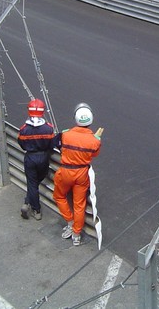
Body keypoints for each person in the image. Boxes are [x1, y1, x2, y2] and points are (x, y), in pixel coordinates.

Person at [53, 103, 102, 246]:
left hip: (66, 171)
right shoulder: (95, 140)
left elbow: (55, 144)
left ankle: (70, 222)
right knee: (79, 205)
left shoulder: (65, 133)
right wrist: (96, 139)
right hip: (82, 173)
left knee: (59, 196)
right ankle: (76, 234)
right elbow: (95, 154)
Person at [17, 99, 55, 221]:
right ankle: (31, 203)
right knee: (39, 179)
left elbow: (22, 144)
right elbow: (51, 144)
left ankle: (35, 208)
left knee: (32, 183)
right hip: (43, 157)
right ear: (43, 111)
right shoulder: (49, 129)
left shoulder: (24, 129)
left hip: (30, 157)